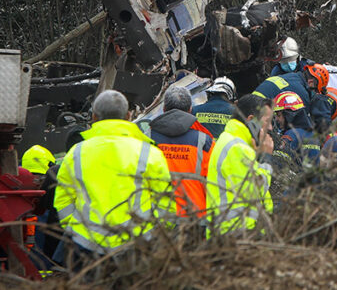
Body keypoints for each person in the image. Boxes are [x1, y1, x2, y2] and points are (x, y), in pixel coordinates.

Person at [53, 90, 175, 260]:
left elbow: (63, 201)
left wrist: (75, 232)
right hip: (138, 244)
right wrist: (154, 235)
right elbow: (165, 204)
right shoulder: (149, 152)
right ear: (128, 115)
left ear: (94, 117)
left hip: (86, 245)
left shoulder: (77, 153)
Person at [205, 94, 274, 235]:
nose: (271, 128)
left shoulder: (238, 143)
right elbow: (256, 189)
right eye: (267, 122)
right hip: (235, 236)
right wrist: (266, 157)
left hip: (237, 233)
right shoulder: (237, 147)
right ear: (250, 120)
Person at [149, 88, 214, 217]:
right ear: (190, 109)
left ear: (164, 108)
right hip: (194, 217)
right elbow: (214, 183)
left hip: (158, 217)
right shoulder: (204, 141)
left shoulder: (147, 138)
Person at [271, 91, 321, 165]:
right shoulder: (313, 135)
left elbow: (278, 164)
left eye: (279, 115)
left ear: (289, 115)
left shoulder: (291, 135)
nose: (277, 119)